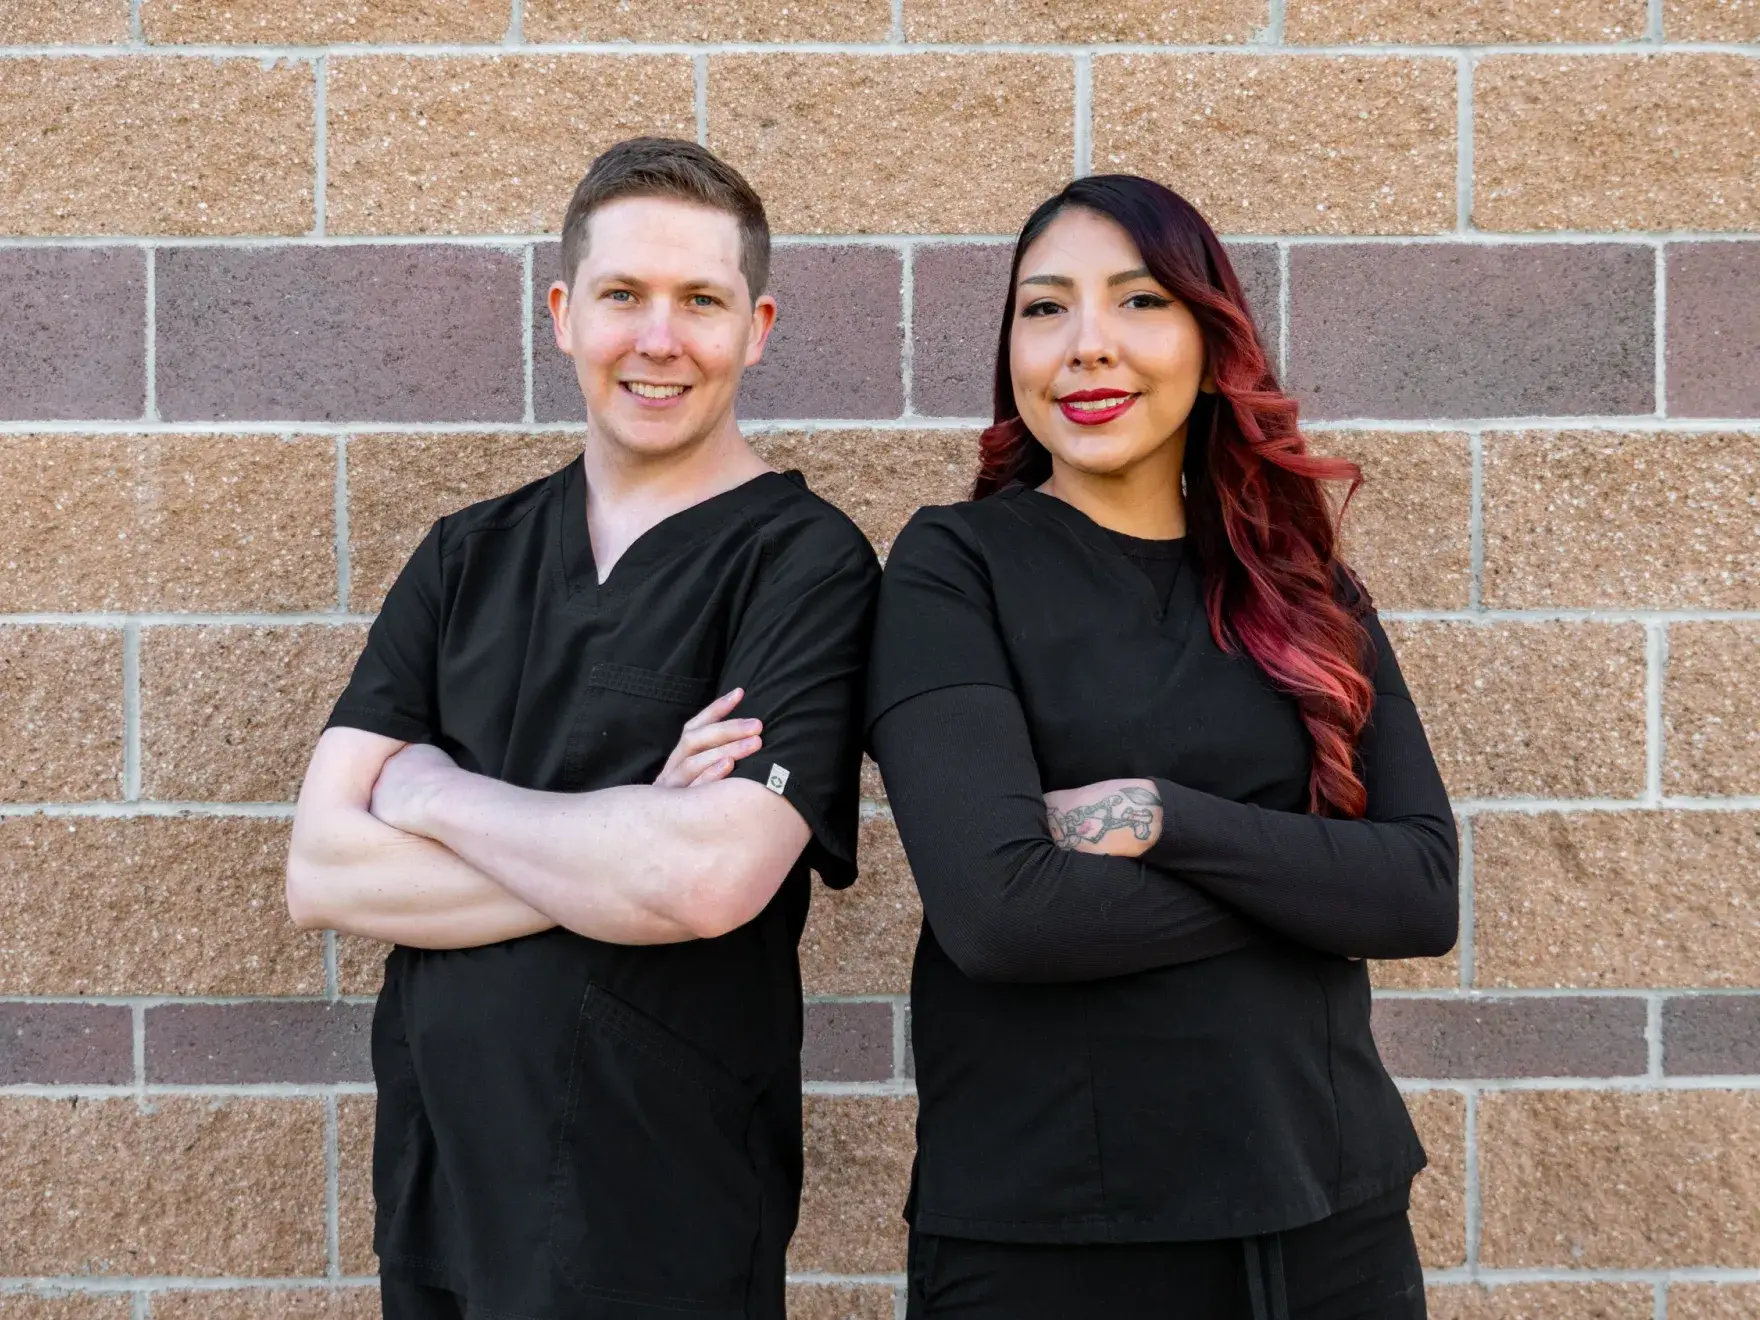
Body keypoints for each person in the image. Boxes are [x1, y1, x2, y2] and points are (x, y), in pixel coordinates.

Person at [286, 137, 879, 1320]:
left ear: (755, 327)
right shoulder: (466, 556)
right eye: (623, 296)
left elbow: (704, 883)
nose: (658, 338)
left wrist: (435, 798)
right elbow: (320, 870)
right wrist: (624, 832)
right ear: (563, 313)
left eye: (700, 301)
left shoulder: (802, 567)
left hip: (659, 1210)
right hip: (446, 1198)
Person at [866, 175, 1459, 1320]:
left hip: (1329, 1221)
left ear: (1207, 334)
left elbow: (1421, 892)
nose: (1086, 347)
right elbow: (1002, 912)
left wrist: (1161, 819)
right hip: (1055, 1242)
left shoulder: (1303, 589)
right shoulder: (951, 569)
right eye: (1043, 310)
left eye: (1137, 302)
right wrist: (1310, 887)